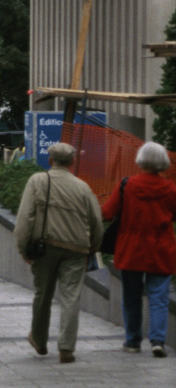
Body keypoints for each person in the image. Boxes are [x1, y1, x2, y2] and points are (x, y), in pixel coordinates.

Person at [14, 142, 103, 364]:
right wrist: (92, 247)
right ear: (73, 162)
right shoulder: (83, 187)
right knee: (71, 296)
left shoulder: (38, 181)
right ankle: (66, 347)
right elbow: (97, 222)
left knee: (42, 294)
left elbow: (25, 218)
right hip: (76, 249)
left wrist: (24, 248)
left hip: (45, 247)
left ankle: (39, 339)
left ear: (50, 160)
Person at [101, 141, 176, 358]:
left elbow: (107, 213)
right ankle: (157, 341)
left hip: (131, 249)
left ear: (140, 160)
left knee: (131, 297)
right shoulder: (171, 188)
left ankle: (133, 340)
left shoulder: (127, 185)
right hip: (161, 250)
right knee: (159, 297)